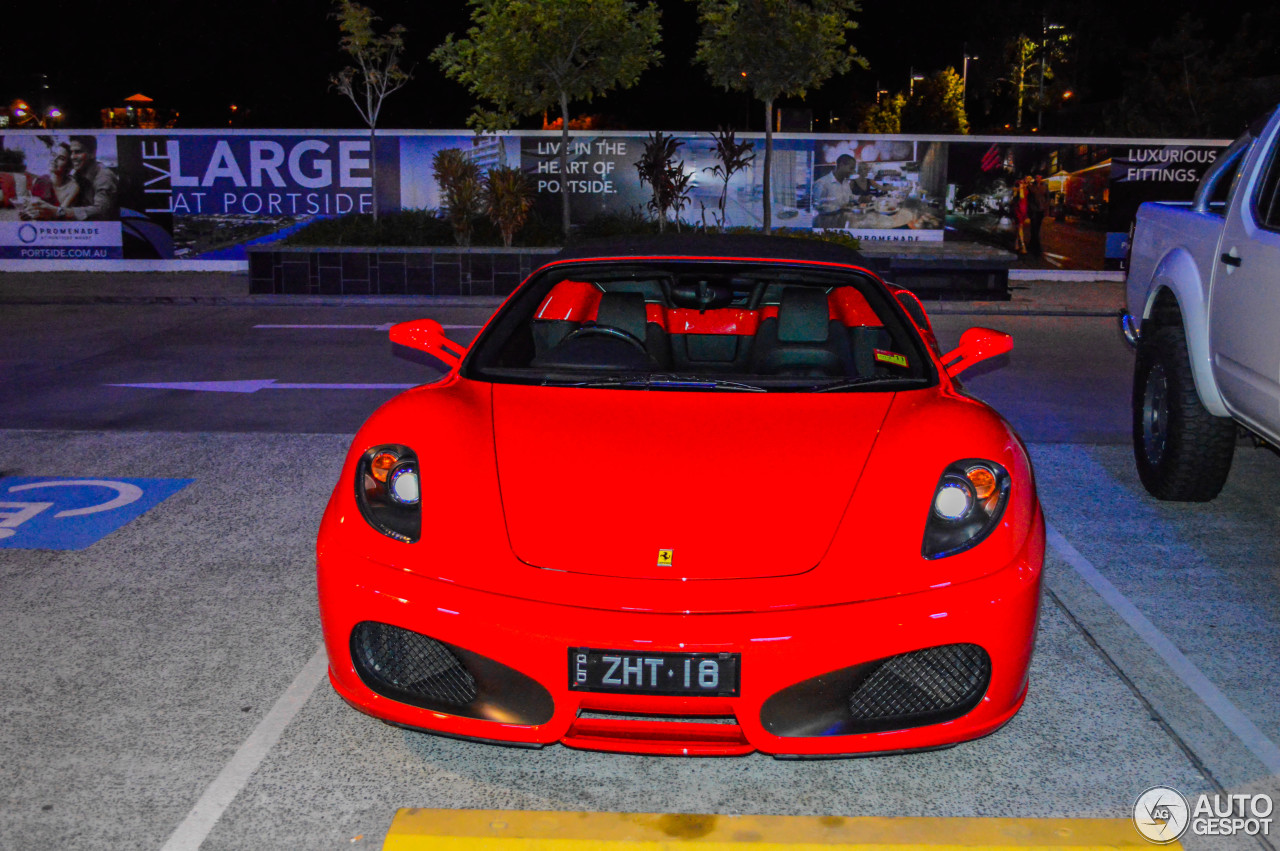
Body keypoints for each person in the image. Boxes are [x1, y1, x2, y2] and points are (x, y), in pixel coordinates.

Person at [25, 135, 117, 221]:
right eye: (72, 152)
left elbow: (101, 210)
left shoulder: (104, 176)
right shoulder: (78, 175)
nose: (73, 157)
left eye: (78, 152)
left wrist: (58, 211)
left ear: (92, 154)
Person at [27, 143, 79, 214]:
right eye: (54, 155)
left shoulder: (73, 187)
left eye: (61, 158)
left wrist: (47, 208)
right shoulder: (40, 181)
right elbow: (34, 208)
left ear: (69, 166)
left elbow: (61, 213)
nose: (54, 159)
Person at [812, 154, 856, 228]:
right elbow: (817, 208)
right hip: (826, 226)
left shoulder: (845, 182)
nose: (853, 172)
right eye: (851, 168)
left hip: (842, 222)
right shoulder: (822, 183)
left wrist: (861, 198)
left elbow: (850, 197)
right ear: (841, 165)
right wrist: (839, 207)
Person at [1027, 174, 1049, 255]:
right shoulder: (1031, 186)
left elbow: (1047, 198)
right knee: (1033, 226)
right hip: (1033, 209)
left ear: (1041, 178)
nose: (1038, 178)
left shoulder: (1045, 186)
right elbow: (1028, 198)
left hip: (1041, 209)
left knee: (1037, 227)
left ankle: (1032, 243)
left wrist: (1046, 208)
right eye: (1036, 177)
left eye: (1039, 177)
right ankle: (1037, 245)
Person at [1011, 176, 1029, 254]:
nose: (1022, 184)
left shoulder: (1026, 189)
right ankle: (1023, 245)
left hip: (1024, 210)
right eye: (1021, 183)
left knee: (1019, 227)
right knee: (1020, 226)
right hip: (1018, 210)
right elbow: (1015, 197)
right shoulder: (1017, 190)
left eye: (1023, 182)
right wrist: (1018, 189)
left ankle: (1016, 243)